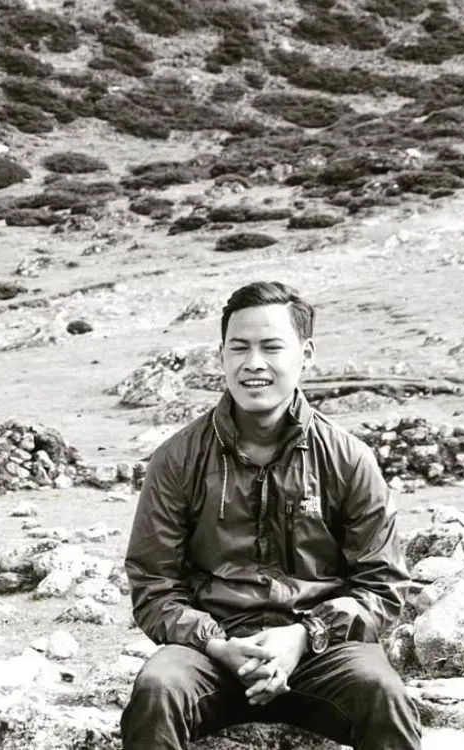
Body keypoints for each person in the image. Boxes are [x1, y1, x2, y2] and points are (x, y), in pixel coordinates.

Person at [122, 281, 422, 750]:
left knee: (384, 694)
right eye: (238, 347)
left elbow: (383, 587)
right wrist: (216, 643)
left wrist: (306, 634)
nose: (253, 363)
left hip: (324, 651)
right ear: (221, 355)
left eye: (271, 347)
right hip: (211, 652)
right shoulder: (177, 458)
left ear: (305, 353)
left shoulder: (348, 458)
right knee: (158, 689)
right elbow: (153, 582)